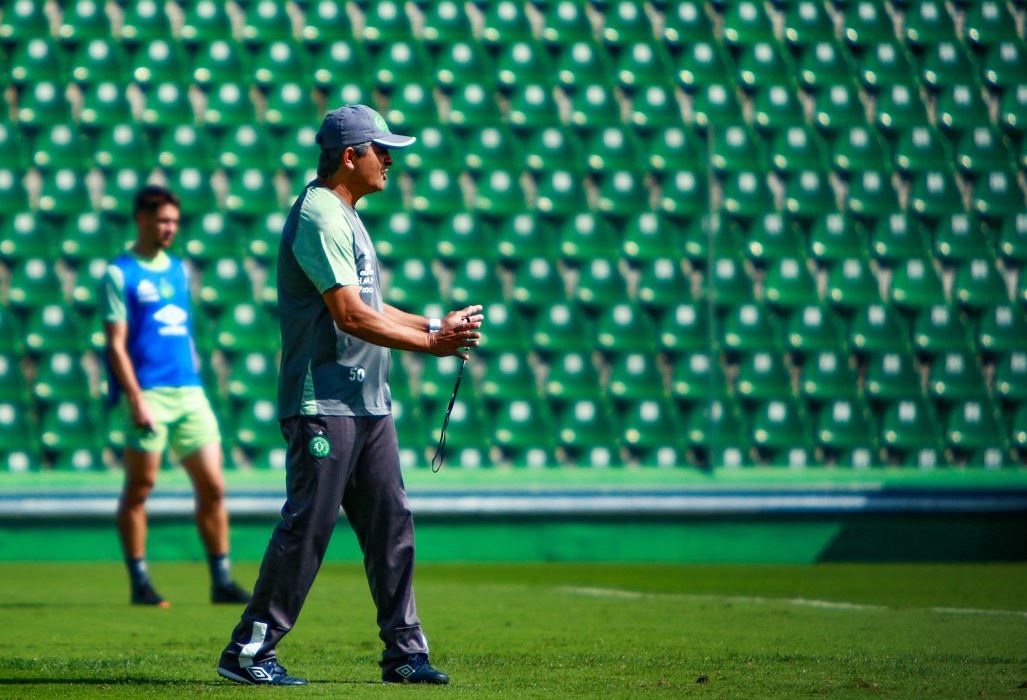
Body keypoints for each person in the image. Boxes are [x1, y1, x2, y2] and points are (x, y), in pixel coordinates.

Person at [215, 105, 483, 687]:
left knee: (392, 526)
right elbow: (350, 316)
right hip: (325, 404)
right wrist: (432, 345)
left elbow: (374, 308)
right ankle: (248, 650)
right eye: (380, 149)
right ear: (348, 156)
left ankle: (405, 653)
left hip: (367, 405)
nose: (390, 159)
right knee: (308, 528)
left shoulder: (346, 214)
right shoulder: (319, 215)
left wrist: (436, 325)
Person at [102, 185, 251, 607]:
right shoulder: (120, 273)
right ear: (142, 219)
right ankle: (140, 581)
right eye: (162, 221)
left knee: (214, 486)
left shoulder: (178, 269)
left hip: (189, 392)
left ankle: (221, 579)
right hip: (148, 393)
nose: (170, 228)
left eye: (174, 221)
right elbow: (116, 345)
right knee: (140, 487)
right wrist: (135, 399)